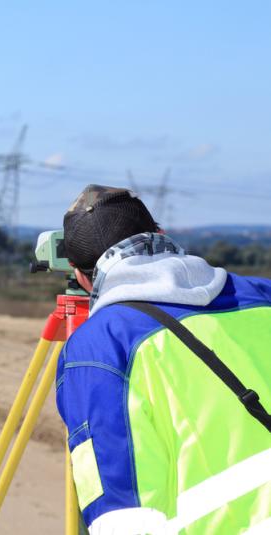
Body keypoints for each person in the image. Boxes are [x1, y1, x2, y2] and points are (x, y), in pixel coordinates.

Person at [56, 184, 271, 534]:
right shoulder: (263, 297)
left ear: (80, 275)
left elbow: (121, 517)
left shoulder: (101, 346)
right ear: (162, 236)